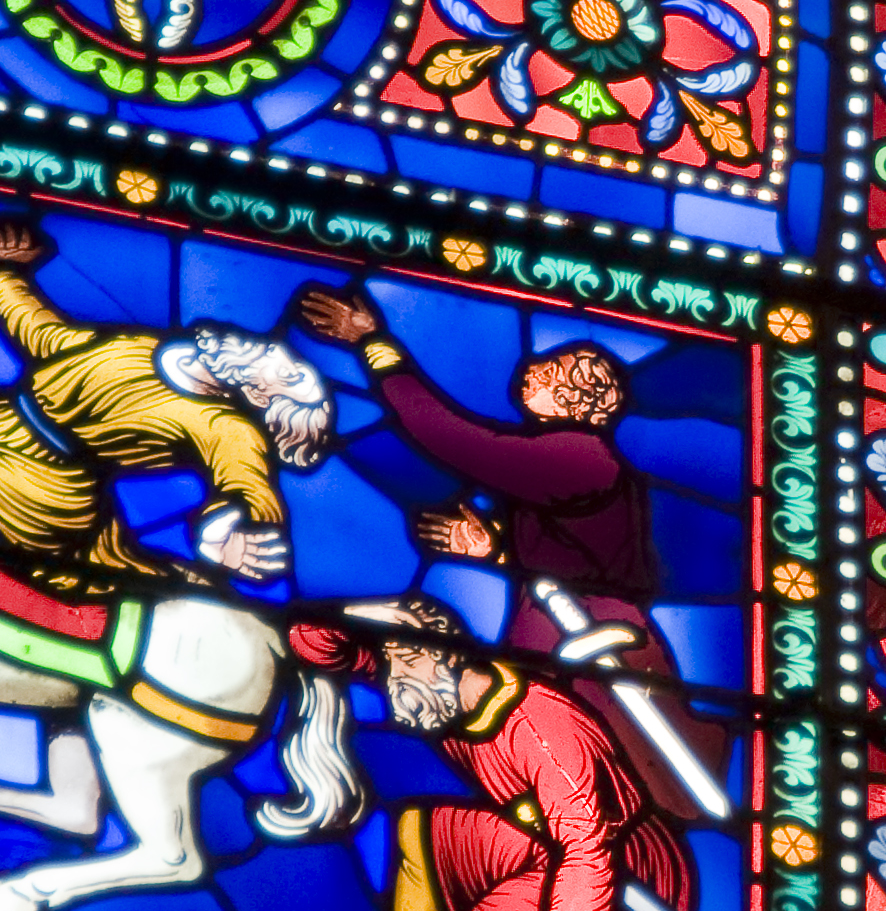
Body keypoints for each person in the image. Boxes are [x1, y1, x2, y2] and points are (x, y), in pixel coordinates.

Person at [0, 216, 332, 771]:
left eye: (288, 374)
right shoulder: (153, 349)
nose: (275, 353)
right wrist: (6, 274)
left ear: (261, 394)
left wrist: (232, 537)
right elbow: (50, 339)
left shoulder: (225, 425)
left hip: (36, 487)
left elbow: (247, 487)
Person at [290, 285, 731, 834]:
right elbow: (575, 552)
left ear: (579, 400)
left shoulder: (581, 457)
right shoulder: (575, 468)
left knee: (617, 767)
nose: (529, 377)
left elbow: (457, 440)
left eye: (548, 375)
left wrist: (377, 346)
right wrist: (497, 551)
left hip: (588, 637)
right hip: (555, 627)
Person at [294, 595, 714, 911]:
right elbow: (311, 643)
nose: (396, 697)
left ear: (440, 654)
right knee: (420, 829)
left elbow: (588, 853)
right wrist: (364, 615)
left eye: (403, 674)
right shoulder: (436, 687)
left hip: (627, 873)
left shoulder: (541, 729)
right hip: (541, 846)